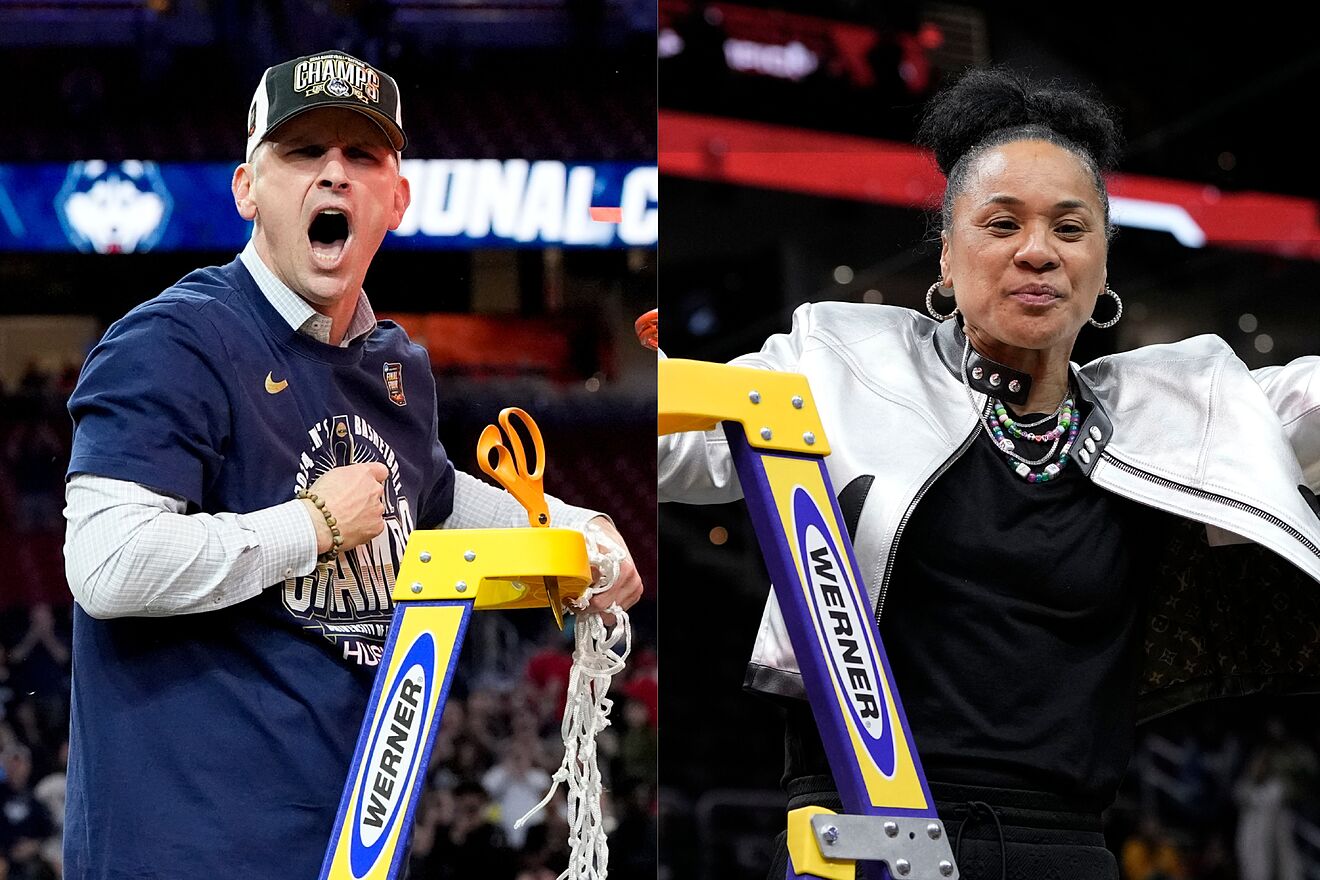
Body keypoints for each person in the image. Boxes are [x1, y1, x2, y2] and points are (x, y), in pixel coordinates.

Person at [658, 67, 1320, 879]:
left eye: (1070, 230)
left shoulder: (1181, 410)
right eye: (1002, 224)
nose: (1036, 252)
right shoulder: (840, 362)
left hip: (1068, 850)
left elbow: (1306, 400)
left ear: (1102, 266)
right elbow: (676, 450)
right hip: (861, 838)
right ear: (948, 254)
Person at [61, 50, 644, 879]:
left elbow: (438, 499)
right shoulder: (172, 339)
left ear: (395, 199)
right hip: (187, 854)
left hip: (352, 851)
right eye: (303, 153)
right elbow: (108, 563)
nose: (334, 174)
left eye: (362, 156)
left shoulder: (393, 365)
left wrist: (577, 527)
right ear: (246, 189)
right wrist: (314, 524)